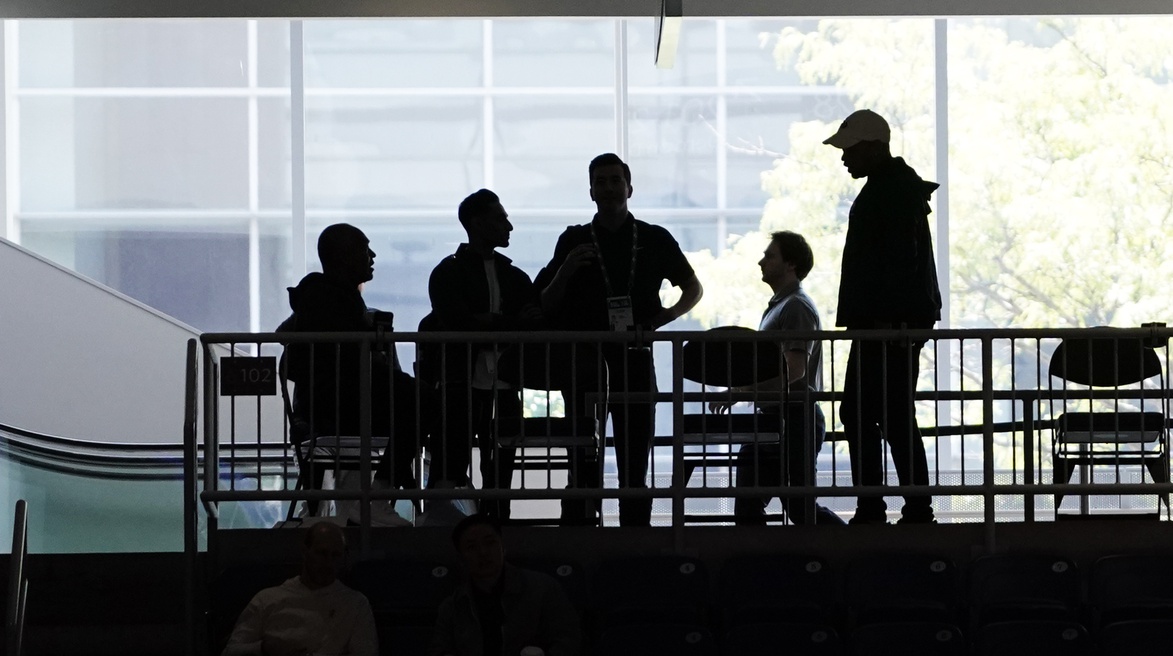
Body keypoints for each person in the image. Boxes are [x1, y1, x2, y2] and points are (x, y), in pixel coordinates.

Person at [534, 153, 703, 527]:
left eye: (615, 180)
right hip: (583, 361)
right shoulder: (574, 239)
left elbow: (693, 288)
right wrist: (565, 271)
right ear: (590, 191)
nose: (608, 188)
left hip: (635, 356)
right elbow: (544, 303)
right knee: (582, 455)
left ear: (629, 188)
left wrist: (663, 319)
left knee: (635, 457)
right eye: (600, 182)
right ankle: (580, 533)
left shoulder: (654, 238)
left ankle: (635, 535)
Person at [823, 109, 942, 525]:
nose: (844, 158)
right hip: (889, 325)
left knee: (871, 413)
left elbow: (900, 261)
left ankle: (883, 506)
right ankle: (906, 506)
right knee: (886, 413)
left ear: (873, 147)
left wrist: (893, 322)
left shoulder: (889, 191)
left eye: (851, 149)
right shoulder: (896, 187)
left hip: (886, 326)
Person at [278, 223, 421, 527]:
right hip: (340, 406)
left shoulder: (321, 297)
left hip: (334, 404)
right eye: (364, 249)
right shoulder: (326, 298)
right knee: (422, 402)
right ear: (343, 256)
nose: (372, 255)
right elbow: (350, 362)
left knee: (414, 401)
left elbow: (285, 337)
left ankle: (370, 498)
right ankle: (376, 497)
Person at [421, 189, 544, 520]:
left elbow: (528, 320)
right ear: (477, 223)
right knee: (452, 456)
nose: (509, 226)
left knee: (499, 465)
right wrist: (510, 324)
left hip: (500, 380)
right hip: (461, 380)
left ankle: (491, 523)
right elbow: (458, 322)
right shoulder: (451, 272)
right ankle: (442, 521)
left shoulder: (504, 275)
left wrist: (489, 322)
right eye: (501, 218)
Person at [710, 231, 845, 526]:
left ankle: (850, 545)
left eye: (769, 256)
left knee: (797, 507)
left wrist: (740, 392)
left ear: (791, 264)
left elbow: (793, 372)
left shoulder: (795, 307)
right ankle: (846, 544)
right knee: (784, 505)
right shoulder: (784, 305)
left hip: (794, 417)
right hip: (781, 417)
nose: (761, 262)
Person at [430, 514, 581, 656]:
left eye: (490, 543)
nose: (483, 552)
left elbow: (569, 640)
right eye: (472, 547)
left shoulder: (542, 589)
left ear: (503, 547)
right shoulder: (453, 607)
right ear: (461, 559)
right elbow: (440, 649)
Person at [223, 522, 378, 656]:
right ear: (305, 552)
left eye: (335, 555)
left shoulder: (355, 605)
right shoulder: (267, 600)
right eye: (322, 553)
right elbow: (231, 651)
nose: (328, 562)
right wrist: (265, 648)